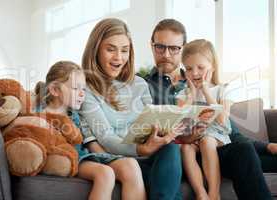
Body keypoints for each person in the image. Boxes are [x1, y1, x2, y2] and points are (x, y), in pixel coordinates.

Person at [145, 18, 273, 199]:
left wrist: (265, 146)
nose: (166, 54)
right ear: (152, 46)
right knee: (225, 148)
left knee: (244, 150)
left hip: (219, 145)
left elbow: (229, 130)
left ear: (183, 49)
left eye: (173, 48)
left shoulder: (204, 83)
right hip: (182, 150)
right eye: (160, 47)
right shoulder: (144, 86)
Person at [79, 18, 183, 200]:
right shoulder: (85, 89)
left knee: (171, 149)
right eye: (110, 49)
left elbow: (151, 122)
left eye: (124, 50)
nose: (118, 57)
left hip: (147, 157)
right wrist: (141, 150)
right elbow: (106, 137)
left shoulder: (140, 84)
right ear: (95, 50)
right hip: (117, 157)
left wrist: (163, 134)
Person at [35, 61, 146, 200]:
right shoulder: (39, 115)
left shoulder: (76, 116)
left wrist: (109, 157)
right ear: (55, 90)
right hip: (63, 159)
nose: (82, 94)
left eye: (83, 89)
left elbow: (89, 143)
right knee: (105, 174)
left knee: (130, 164)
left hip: (82, 157)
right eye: (76, 89)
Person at [177, 39, 232, 200]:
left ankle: (214, 194)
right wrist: (192, 96)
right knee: (185, 149)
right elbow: (180, 125)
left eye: (200, 68)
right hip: (194, 136)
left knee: (207, 140)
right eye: (188, 68)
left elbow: (222, 120)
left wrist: (206, 91)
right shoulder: (183, 94)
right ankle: (201, 193)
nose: (194, 73)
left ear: (212, 67)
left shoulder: (222, 90)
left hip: (217, 136)